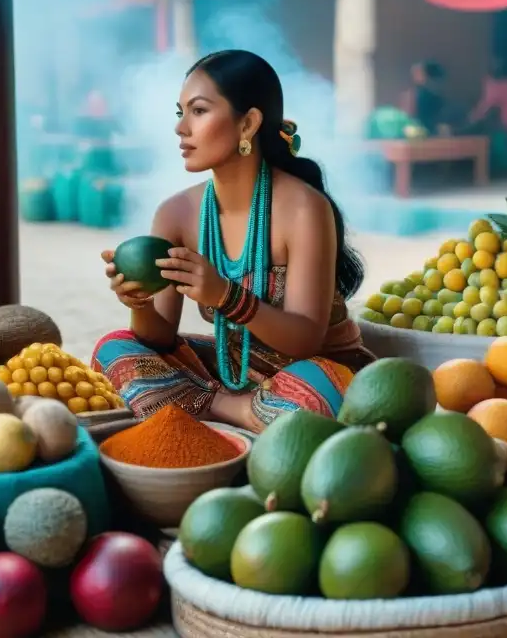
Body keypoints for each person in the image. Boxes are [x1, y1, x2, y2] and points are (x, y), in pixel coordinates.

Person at [93, 50, 375, 432]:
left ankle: (205, 408)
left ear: (248, 124)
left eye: (199, 111)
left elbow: (305, 340)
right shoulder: (175, 214)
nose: (181, 128)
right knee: (113, 350)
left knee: (319, 398)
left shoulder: (304, 208)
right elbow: (157, 337)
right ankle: (236, 410)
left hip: (317, 372)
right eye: (181, 113)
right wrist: (139, 302)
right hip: (233, 371)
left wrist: (225, 295)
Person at [401, 61, 448, 135]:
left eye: (419, 73)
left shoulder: (434, 94)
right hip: (416, 131)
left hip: (431, 131)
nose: (416, 76)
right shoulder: (411, 94)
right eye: (415, 74)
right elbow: (407, 114)